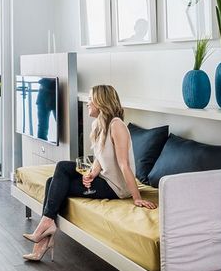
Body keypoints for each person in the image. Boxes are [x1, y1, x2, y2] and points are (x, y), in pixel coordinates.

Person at [22, 84, 157, 261]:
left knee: (60, 170)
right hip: (103, 178)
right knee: (52, 180)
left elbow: (124, 165)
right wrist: (91, 174)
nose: (87, 103)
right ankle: (44, 237)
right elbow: (100, 158)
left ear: (101, 102)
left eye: (91, 99)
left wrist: (136, 197)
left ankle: (44, 230)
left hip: (116, 187)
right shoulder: (97, 125)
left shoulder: (117, 125)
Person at [35, 77, 56, 142]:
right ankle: (41, 145)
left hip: (55, 94)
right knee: (42, 126)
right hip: (44, 95)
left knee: (62, 125)